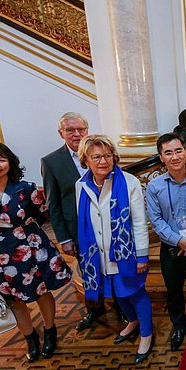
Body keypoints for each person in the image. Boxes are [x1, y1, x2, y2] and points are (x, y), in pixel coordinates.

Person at [0, 142, 73, 362]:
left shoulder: (27, 188)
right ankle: (30, 337)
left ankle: (50, 331)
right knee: (14, 300)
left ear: (9, 162)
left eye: (1, 160)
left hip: (32, 248)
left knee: (42, 291)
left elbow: (42, 214)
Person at [75, 135, 154, 364]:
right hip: (97, 254)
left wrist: (141, 255)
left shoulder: (129, 182)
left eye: (107, 155)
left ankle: (146, 335)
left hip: (125, 253)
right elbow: (85, 222)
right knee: (117, 295)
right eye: (96, 157)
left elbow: (139, 222)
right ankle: (132, 322)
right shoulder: (80, 185)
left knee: (135, 292)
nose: (103, 161)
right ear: (86, 160)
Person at [42, 112, 111, 331]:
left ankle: (120, 305)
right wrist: (64, 238)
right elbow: (53, 205)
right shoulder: (51, 162)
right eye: (71, 130)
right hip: (79, 229)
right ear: (61, 133)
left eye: (81, 129)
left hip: (107, 224)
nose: (77, 134)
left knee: (112, 267)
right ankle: (95, 309)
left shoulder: (102, 154)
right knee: (88, 271)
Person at [146, 133, 186, 350]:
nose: (174, 157)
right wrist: (179, 240)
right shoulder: (154, 186)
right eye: (168, 153)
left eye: (178, 151)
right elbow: (156, 220)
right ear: (161, 157)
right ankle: (179, 324)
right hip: (171, 248)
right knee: (173, 289)